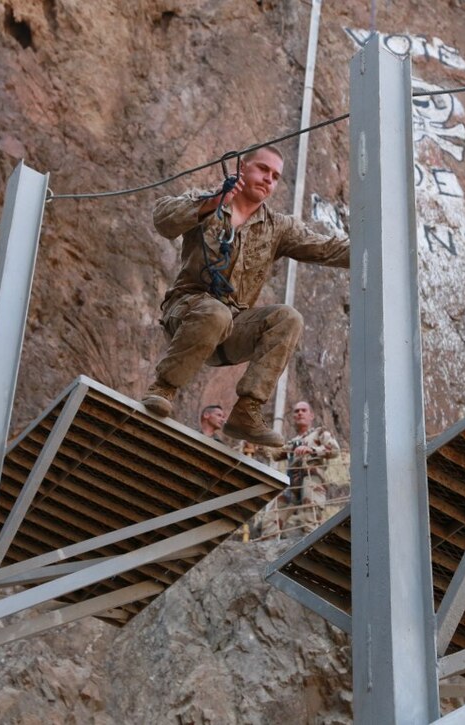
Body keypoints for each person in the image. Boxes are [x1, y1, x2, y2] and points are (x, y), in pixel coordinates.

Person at [141, 145, 349, 446]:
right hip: (186, 316)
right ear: (242, 168)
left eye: (275, 176)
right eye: (263, 169)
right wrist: (212, 203)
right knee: (215, 313)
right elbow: (163, 220)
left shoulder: (278, 227)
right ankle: (164, 388)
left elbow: (326, 249)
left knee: (288, 318)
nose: (268, 179)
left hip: (231, 330)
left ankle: (246, 412)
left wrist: (377, 246)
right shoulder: (207, 201)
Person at [273, 400, 341, 530]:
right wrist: (259, 444)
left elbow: (335, 450)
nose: (300, 413)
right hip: (293, 483)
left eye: (304, 410)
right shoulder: (292, 442)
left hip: (311, 478)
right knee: (271, 519)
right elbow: (275, 454)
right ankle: (269, 541)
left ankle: (311, 537)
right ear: (293, 417)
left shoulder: (319, 433)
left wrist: (312, 450)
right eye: (296, 411)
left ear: (311, 415)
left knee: (310, 519)